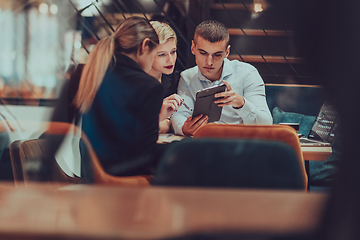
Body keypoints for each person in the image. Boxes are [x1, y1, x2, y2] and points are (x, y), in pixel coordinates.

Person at [73, 16, 170, 176]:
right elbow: (145, 154)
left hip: (90, 177)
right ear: (145, 45)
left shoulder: (88, 74)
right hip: (125, 182)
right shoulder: (150, 86)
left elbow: (58, 130)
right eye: (154, 56)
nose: (151, 63)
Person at [171, 20, 273, 136]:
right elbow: (180, 115)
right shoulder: (187, 77)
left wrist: (241, 104)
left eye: (217, 55)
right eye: (203, 53)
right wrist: (184, 128)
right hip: (204, 145)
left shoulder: (247, 73)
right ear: (193, 48)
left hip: (240, 145)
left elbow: (266, 124)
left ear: (227, 52)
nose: (209, 62)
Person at [148, 21, 182, 133]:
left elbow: (174, 121)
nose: (171, 60)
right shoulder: (135, 82)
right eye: (162, 54)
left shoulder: (175, 79)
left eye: (173, 52)